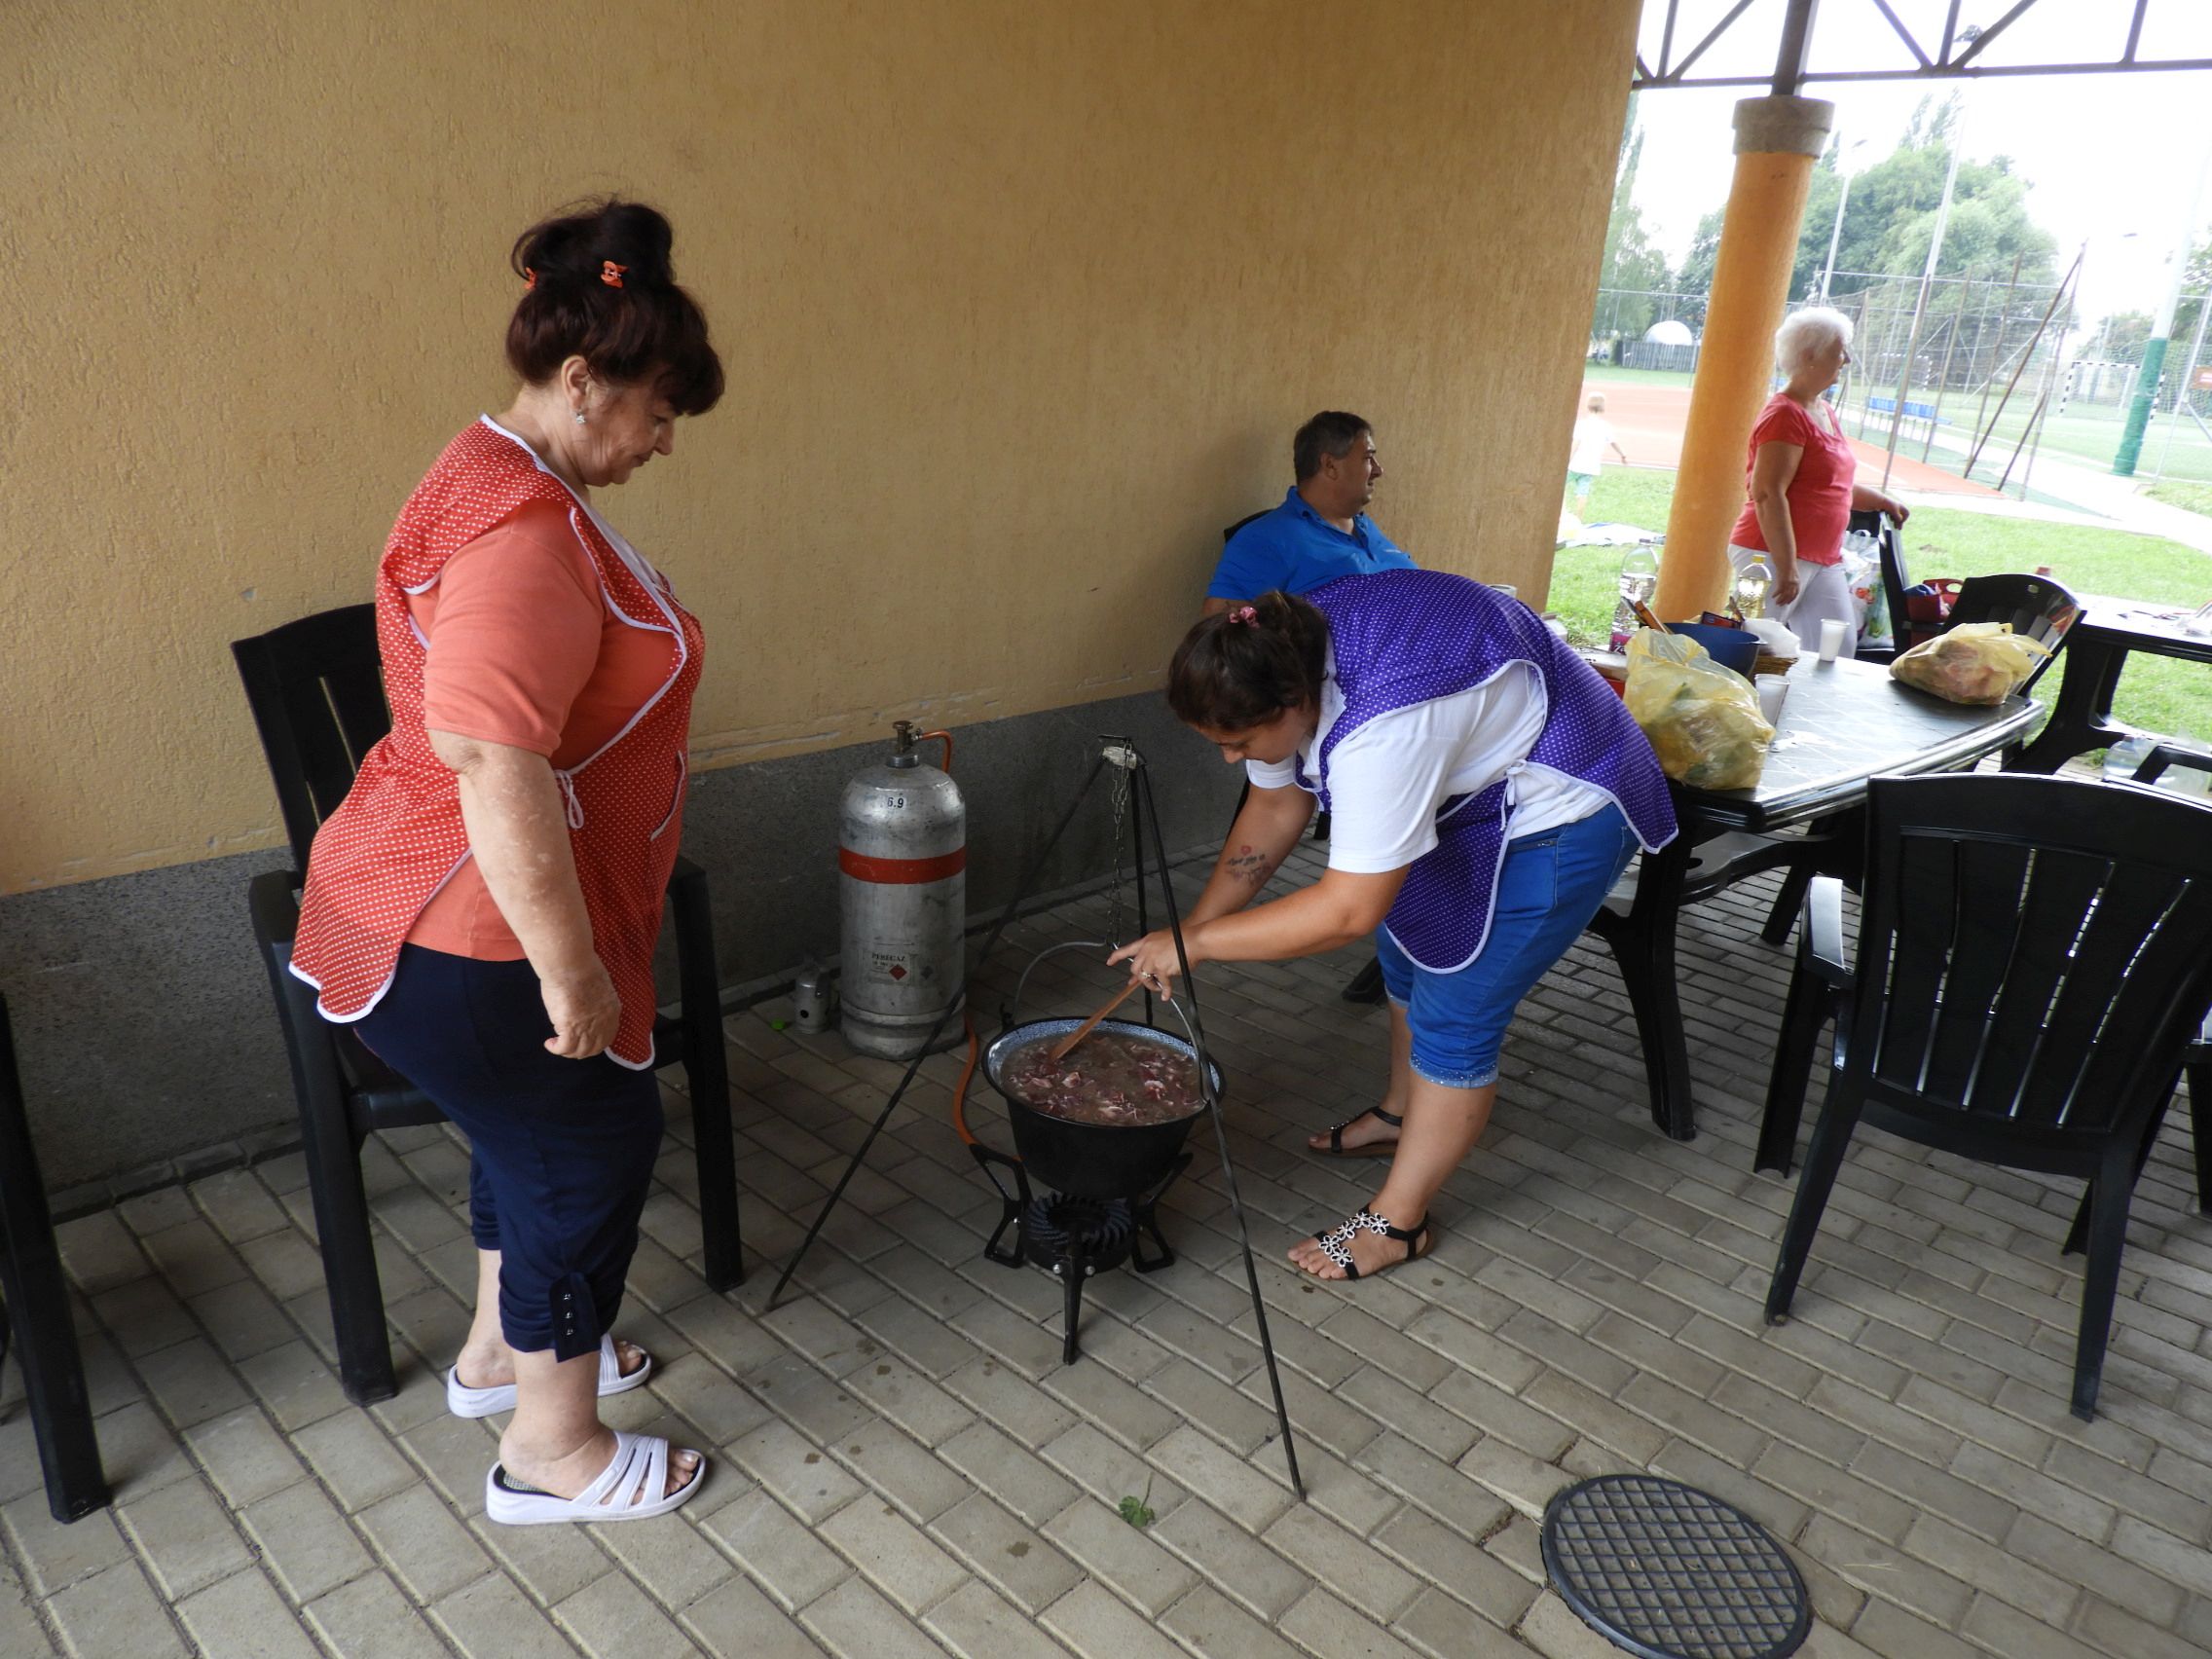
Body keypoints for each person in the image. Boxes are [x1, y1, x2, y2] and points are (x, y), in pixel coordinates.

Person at [291, 200, 724, 1525]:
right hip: (463, 928)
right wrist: (572, 971)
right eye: (654, 408)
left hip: (418, 897)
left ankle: (498, 1357)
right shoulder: (522, 532)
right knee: (587, 1145)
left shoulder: (507, 474)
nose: (660, 440)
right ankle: (550, 1448)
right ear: (579, 379)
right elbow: (491, 755)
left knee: (523, 1132)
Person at [1111, 574, 1677, 1281]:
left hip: (1564, 800)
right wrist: (1192, 931)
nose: (1230, 757)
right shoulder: (1280, 650)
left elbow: (1345, 910)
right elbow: (1275, 811)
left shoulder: (1383, 728)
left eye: (1239, 741)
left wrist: (1195, 947)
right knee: (1410, 951)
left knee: (1457, 1013)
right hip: (1471, 791)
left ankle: (1400, 1224)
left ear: (1292, 704)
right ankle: (1402, 1114)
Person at [1728, 308, 1910, 656]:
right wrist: (1786, 565)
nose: (1845, 361)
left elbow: (1828, 487)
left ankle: (1797, 710)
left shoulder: (1823, 410)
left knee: (1837, 650)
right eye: (1839, 351)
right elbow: (1767, 493)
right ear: (1811, 355)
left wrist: (1881, 501)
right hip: (1768, 554)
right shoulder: (1784, 414)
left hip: (1821, 557)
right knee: (1756, 650)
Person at [1202, 412, 1414, 617]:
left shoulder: (1366, 529)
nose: (1378, 470)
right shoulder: (1265, 538)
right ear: (1330, 465)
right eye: (1368, 458)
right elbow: (1221, 626)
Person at [1565, 391, 1628, 514]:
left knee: (1560, 487)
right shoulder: (1606, 426)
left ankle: (1562, 512)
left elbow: (1576, 443)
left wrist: (1567, 459)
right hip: (1591, 467)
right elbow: (1614, 443)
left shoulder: (1582, 424)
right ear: (1603, 407)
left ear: (1587, 406)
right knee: (1582, 493)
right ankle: (1578, 519)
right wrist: (1623, 455)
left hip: (1575, 465)